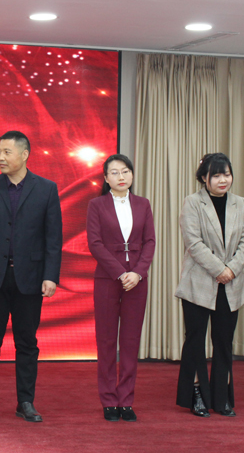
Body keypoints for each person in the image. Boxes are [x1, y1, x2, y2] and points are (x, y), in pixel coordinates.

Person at [0, 131, 62, 423]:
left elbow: (53, 238)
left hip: (30, 278)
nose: (0, 157)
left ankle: (26, 402)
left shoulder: (46, 189)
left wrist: (50, 276)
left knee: (27, 343)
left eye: (6, 152)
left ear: (24, 154)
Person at [175, 153, 244, 418]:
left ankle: (222, 398)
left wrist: (231, 269)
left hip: (231, 283)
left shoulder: (240, 203)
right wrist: (220, 269)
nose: (223, 180)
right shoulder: (192, 202)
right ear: (203, 178)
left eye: (226, 174)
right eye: (216, 175)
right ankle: (197, 393)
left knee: (223, 342)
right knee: (195, 340)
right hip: (199, 282)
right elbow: (193, 243)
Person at [86, 154, 155, 422]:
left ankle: (126, 400)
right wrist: (120, 272)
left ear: (132, 175)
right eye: (114, 172)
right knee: (105, 341)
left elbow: (149, 241)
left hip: (137, 281)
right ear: (106, 178)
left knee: (130, 341)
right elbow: (95, 243)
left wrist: (138, 273)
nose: (121, 177)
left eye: (125, 171)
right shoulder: (96, 205)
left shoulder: (143, 204)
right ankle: (108, 400)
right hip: (107, 279)